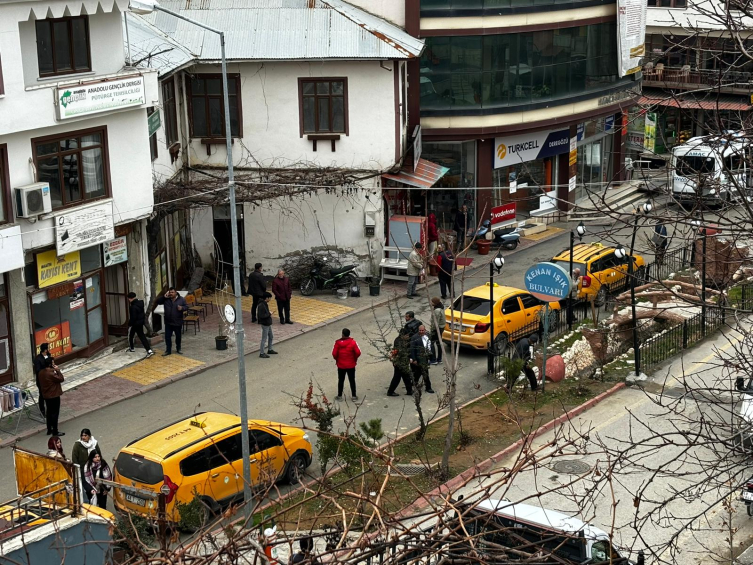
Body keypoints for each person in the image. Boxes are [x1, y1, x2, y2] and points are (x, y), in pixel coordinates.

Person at [332, 328, 361, 401]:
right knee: (352, 380)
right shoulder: (353, 342)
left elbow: (334, 354)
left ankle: (339, 396)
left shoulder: (337, 343)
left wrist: (337, 359)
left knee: (341, 380)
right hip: (351, 365)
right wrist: (354, 359)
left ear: (342, 334)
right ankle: (354, 396)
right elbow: (358, 352)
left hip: (341, 365)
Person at [156, 287, 187, 356]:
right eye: (170, 292)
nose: (171, 294)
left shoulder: (181, 299)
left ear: (176, 292)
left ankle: (178, 348)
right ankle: (168, 350)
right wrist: (164, 297)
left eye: (172, 292)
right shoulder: (166, 299)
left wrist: (182, 308)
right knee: (167, 337)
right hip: (168, 322)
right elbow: (158, 302)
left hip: (177, 321)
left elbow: (186, 307)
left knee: (178, 336)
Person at [38, 357, 64, 436]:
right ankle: (55, 431)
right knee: (55, 413)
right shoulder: (51, 373)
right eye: (53, 363)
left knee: (48, 412)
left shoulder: (40, 372)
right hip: (54, 395)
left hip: (46, 395)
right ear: (50, 364)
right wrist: (58, 370)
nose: (54, 364)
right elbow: (61, 379)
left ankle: (49, 429)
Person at [127, 292, 154, 357]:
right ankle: (132, 347)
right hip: (140, 322)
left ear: (130, 299)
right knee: (132, 334)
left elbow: (133, 317)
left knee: (140, 336)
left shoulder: (133, 307)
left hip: (135, 323)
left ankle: (149, 350)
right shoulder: (140, 303)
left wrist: (129, 324)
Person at [387, 329, 413, 397]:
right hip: (399, 362)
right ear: (402, 335)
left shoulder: (403, 341)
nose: (408, 336)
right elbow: (397, 352)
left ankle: (409, 390)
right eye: (406, 335)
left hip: (404, 362)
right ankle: (390, 391)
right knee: (397, 377)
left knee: (406, 376)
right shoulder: (399, 342)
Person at [409, 326, 434, 394]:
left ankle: (413, 383)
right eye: (420, 330)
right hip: (419, 358)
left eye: (422, 330)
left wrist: (431, 356)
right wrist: (414, 359)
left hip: (425, 357)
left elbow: (430, 346)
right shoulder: (414, 337)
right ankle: (428, 387)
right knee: (425, 372)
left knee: (419, 372)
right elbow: (412, 349)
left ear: (425, 330)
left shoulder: (427, 336)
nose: (421, 332)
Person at [33, 343, 51, 418]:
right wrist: (46, 368)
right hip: (41, 380)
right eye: (47, 348)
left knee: (49, 395)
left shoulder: (49, 355)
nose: (48, 350)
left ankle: (49, 410)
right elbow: (38, 370)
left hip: (49, 379)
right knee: (42, 396)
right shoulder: (38, 359)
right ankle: (42, 410)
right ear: (45, 349)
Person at [258, 292, 277, 358]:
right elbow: (261, 315)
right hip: (265, 323)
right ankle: (262, 353)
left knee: (271, 336)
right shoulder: (261, 305)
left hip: (268, 323)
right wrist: (269, 314)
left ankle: (270, 349)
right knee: (264, 338)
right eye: (270, 298)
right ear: (267, 298)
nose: (270, 299)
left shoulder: (264, 304)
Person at [430, 297, 446, 365]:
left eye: (432, 301)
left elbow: (435, 322)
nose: (431, 303)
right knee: (439, 343)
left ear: (435, 303)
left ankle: (433, 360)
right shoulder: (441, 308)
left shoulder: (437, 310)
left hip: (437, 328)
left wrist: (432, 329)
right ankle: (439, 359)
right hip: (441, 327)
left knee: (431, 343)